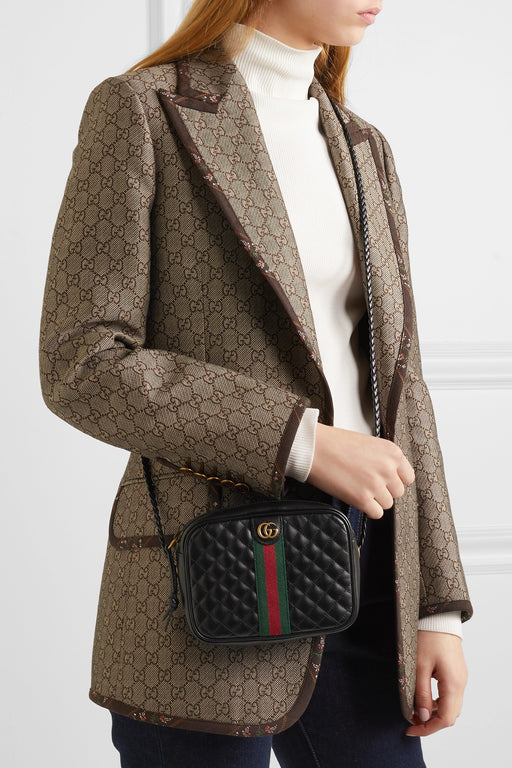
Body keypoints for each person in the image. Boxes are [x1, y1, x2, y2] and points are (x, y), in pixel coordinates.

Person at [38, 1, 473, 765]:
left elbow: (403, 384)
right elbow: (83, 361)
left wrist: (437, 608)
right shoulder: (143, 111)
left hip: (369, 561)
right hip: (205, 572)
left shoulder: (363, 147)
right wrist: (301, 444)